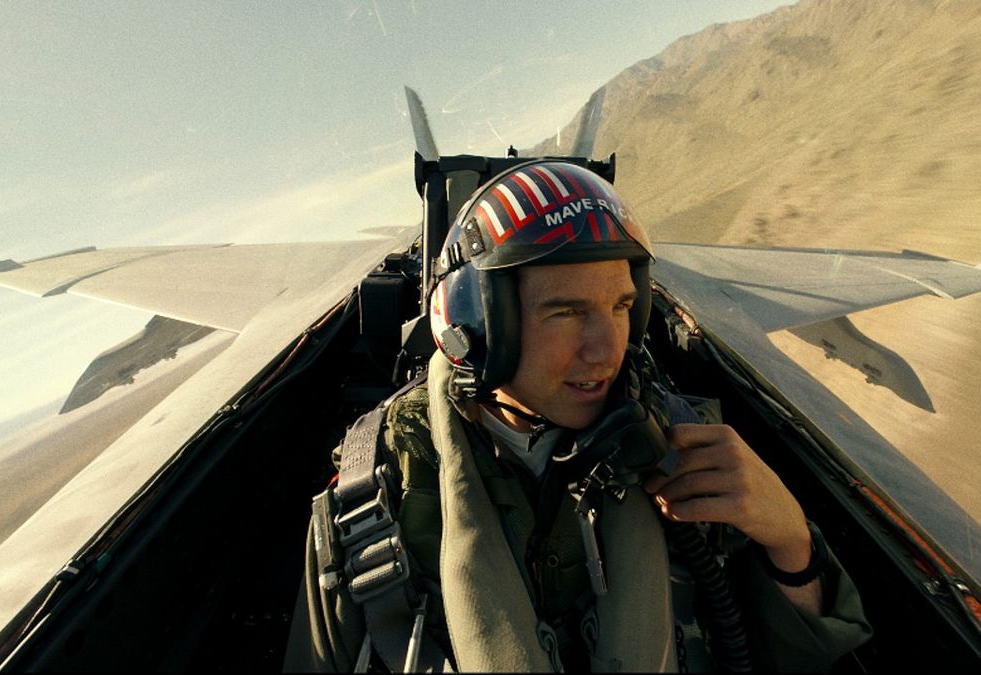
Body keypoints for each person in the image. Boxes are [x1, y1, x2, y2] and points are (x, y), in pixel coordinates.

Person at [295, 160, 872, 672]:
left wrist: (789, 540)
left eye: (621, 306)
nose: (607, 350)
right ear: (478, 327)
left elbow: (794, 655)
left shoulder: (689, 446)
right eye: (566, 312)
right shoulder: (376, 496)